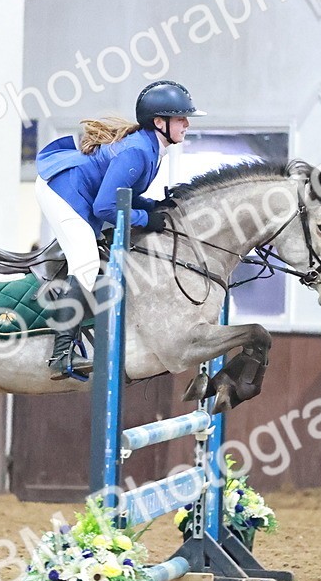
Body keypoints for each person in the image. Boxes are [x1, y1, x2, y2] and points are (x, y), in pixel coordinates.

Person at [34, 80, 205, 378]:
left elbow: (122, 192)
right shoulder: (138, 151)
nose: (187, 123)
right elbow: (105, 208)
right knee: (86, 262)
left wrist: (152, 205)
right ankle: (60, 354)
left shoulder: (151, 148)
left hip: (84, 192)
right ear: (159, 122)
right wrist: (143, 218)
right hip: (61, 189)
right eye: (181, 118)